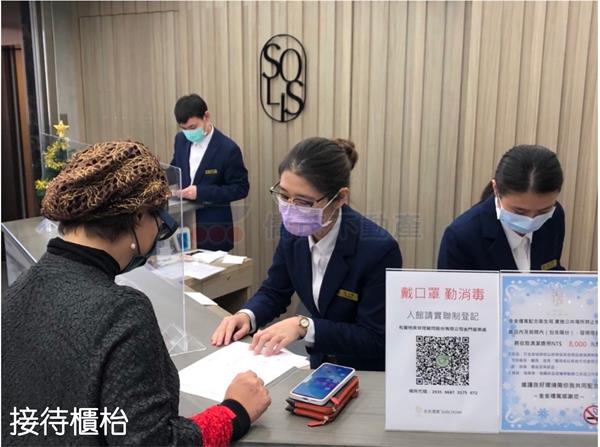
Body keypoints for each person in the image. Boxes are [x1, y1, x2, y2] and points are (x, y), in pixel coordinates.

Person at [2, 141, 270, 445]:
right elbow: (151, 441)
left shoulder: (21, 288)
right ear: (139, 216)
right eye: (160, 218)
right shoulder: (123, 312)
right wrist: (234, 411)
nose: (159, 230)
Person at [211, 137, 403, 371]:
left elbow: (375, 338)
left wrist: (304, 326)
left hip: (364, 372)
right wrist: (246, 316)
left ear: (340, 198)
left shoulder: (378, 249)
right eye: (284, 196)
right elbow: (275, 291)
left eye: (304, 202)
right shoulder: (293, 232)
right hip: (320, 367)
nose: (291, 209)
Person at [437, 144, 565, 271]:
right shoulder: (462, 236)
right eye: (519, 211)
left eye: (543, 211)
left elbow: (551, 271)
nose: (531, 220)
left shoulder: (555, 216)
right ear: (496, 189)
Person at [171, 94, 249, 252]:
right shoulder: (181, 140)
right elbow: (175, 168)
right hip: (184, 226)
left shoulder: (228, 149)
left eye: (192, 127)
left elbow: (241, 188)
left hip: (213, 230)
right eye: (184, 129)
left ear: (206, 116)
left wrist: (200, 192)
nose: (188, 133)